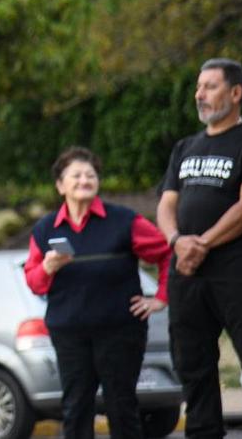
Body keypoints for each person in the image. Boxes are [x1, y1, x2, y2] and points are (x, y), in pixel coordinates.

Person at [155, 58, 242, 437]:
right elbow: (166, 204)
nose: (200, 95)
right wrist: (178, 242)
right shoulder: (184, 147)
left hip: (240, 272)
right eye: (198, 87)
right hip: (188, 275)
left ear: (235, 92)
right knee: (193, 370)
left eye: (209, 86)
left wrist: (203, 244)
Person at [24, 147, 171, 439]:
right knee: (76, 407)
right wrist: (49, 267)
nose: (84, 180)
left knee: (121, 405)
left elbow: (168, 253)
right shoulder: (44, 229)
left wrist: (161, 298)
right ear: (60, 185)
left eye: (90, 175)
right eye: (75, 175)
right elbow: (34, 282)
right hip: (69, 333)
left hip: (120, 331)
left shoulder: (124, 221)